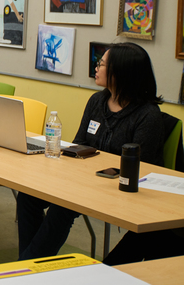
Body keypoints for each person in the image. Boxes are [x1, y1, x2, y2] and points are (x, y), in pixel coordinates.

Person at [18, 43, 165, 260]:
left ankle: (25, 268)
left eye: (103, 64)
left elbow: (142, 168)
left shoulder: (148, 115)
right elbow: (79, 143)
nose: (97, 67)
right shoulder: (97, 101)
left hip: (117, 190)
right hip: (84, 181)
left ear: (121, 72)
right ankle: (30, 263)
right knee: (28, 196)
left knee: (62, 208)